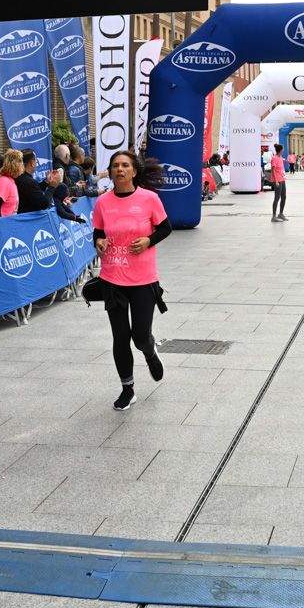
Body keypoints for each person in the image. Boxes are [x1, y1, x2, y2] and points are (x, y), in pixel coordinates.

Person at [92, 151, 172, 412]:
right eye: (115, 166)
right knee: (120, 337)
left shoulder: (149, 199)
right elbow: (98, 231)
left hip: (142, 279)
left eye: (125, 165)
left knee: (139, 336)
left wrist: (149, 240)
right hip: (112, 277)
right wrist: (99, 242)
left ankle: (149, 351)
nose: (120, 169)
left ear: (134, 171)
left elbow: (165, 228)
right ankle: (127, 388)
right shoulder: (103, 202)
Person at [0, 149, 23, 217]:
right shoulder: (4, 182)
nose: (22, 165)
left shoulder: (10, 181)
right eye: (20, 162)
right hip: (3, 224)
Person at [268, 143, 288, 222]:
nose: (283, 150)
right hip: (277, 181)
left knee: (284, 196)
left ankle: (281, 214)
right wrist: (275, 181)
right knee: (277, 198)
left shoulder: (280, 157)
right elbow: (273, 170)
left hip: (282, 179)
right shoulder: (274, 158)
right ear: (280, 150)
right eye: (282, 149)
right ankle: (273, 216)